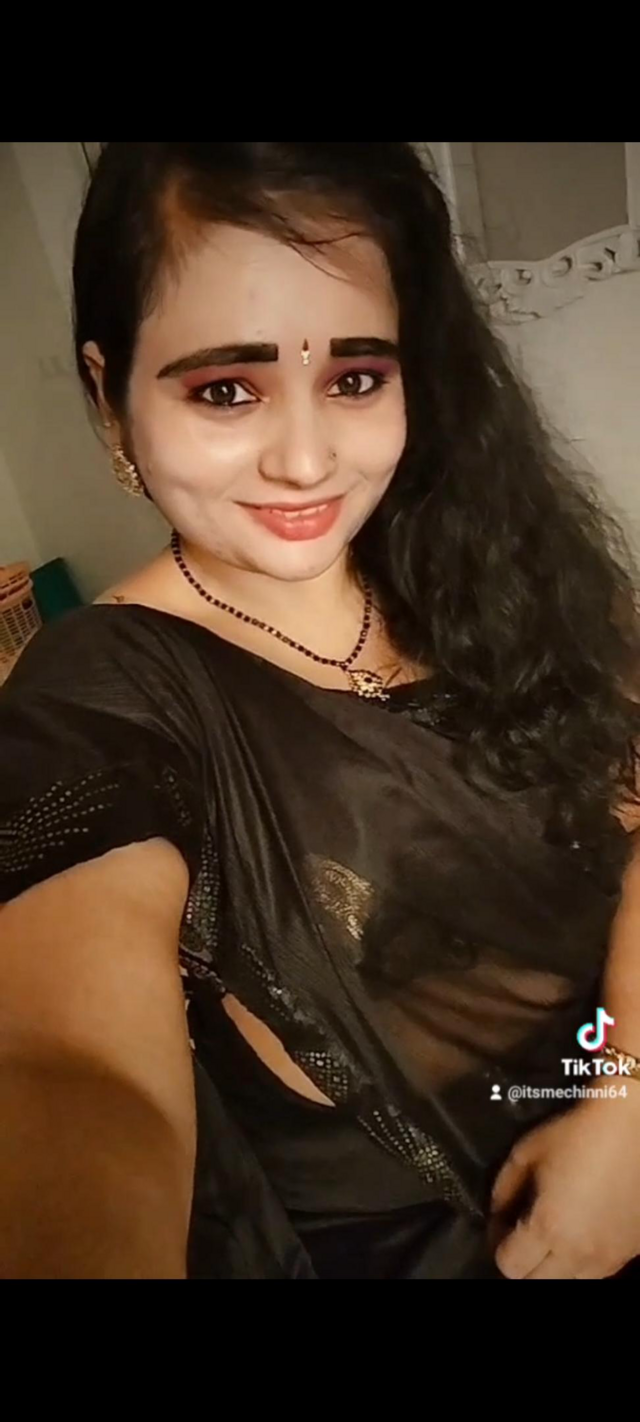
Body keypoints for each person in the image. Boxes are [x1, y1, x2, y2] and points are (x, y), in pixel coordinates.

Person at [2, 141, 640, 1280]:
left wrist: (624, 1103)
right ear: (109, 392)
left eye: (354, 379)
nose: (306, 461)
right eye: (225, 390)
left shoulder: (480, 566)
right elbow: (70, 1074)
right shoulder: (100, 695)